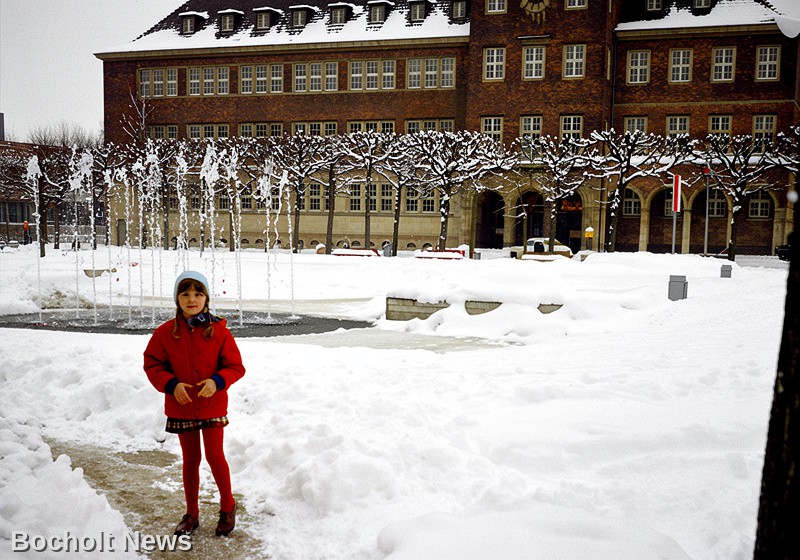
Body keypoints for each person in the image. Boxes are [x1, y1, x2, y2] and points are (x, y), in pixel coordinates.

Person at [143, 270, 245, 537]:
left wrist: (219, 381)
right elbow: (152, 364)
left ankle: (227, 507)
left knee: (214, 456)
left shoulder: (220, 331)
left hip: (212, 405)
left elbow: (236, 366)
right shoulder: (165, 333)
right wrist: (171, 385)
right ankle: (192, 514)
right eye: (185, 293)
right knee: (191, 459)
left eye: (197, 293)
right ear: (177, 298)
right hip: (183, 406)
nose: (191, 299)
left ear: (206, 297)